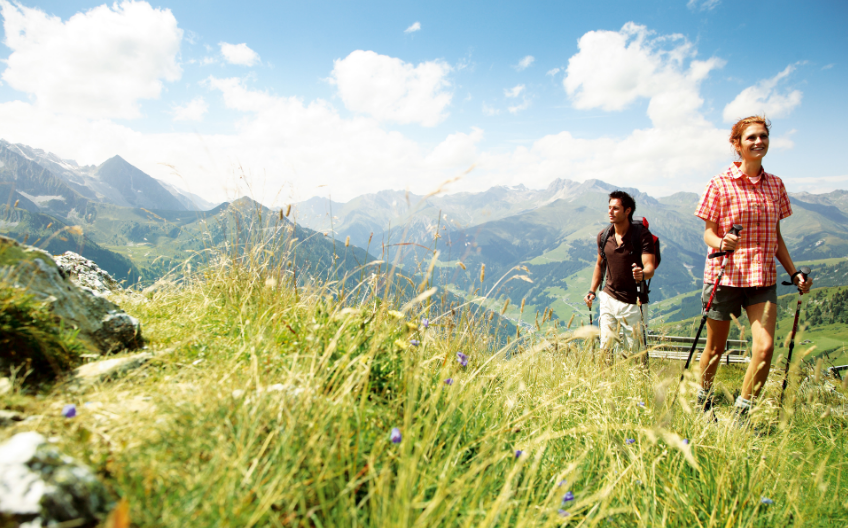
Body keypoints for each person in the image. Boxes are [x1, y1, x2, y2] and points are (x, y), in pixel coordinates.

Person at [694, 115, 811, 423]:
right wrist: (721, 242)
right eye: (751, 138)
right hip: (726, 276)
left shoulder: (776, 184)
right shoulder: (719, 184)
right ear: (737, 144)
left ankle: (741, 416)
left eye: (763, 136)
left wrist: (793, 272)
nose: (759, 142)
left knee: (766, 346)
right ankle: (702, 398)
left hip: (762, 278)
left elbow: (776, 236)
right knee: (716, 348)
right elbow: (708, 233)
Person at [584, 191, 655, 352]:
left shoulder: (642, 236)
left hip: (634, 302)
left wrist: (642, 274)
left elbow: (650, 267)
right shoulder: (604, 236)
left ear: (627, 211)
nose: (610, 212)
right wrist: (592, 290)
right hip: (608, 297)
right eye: (609, 208)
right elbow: (599, 265)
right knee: (605, 349)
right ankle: (605, 377)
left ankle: (638, 376)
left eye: (615, 208)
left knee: (635, 352)